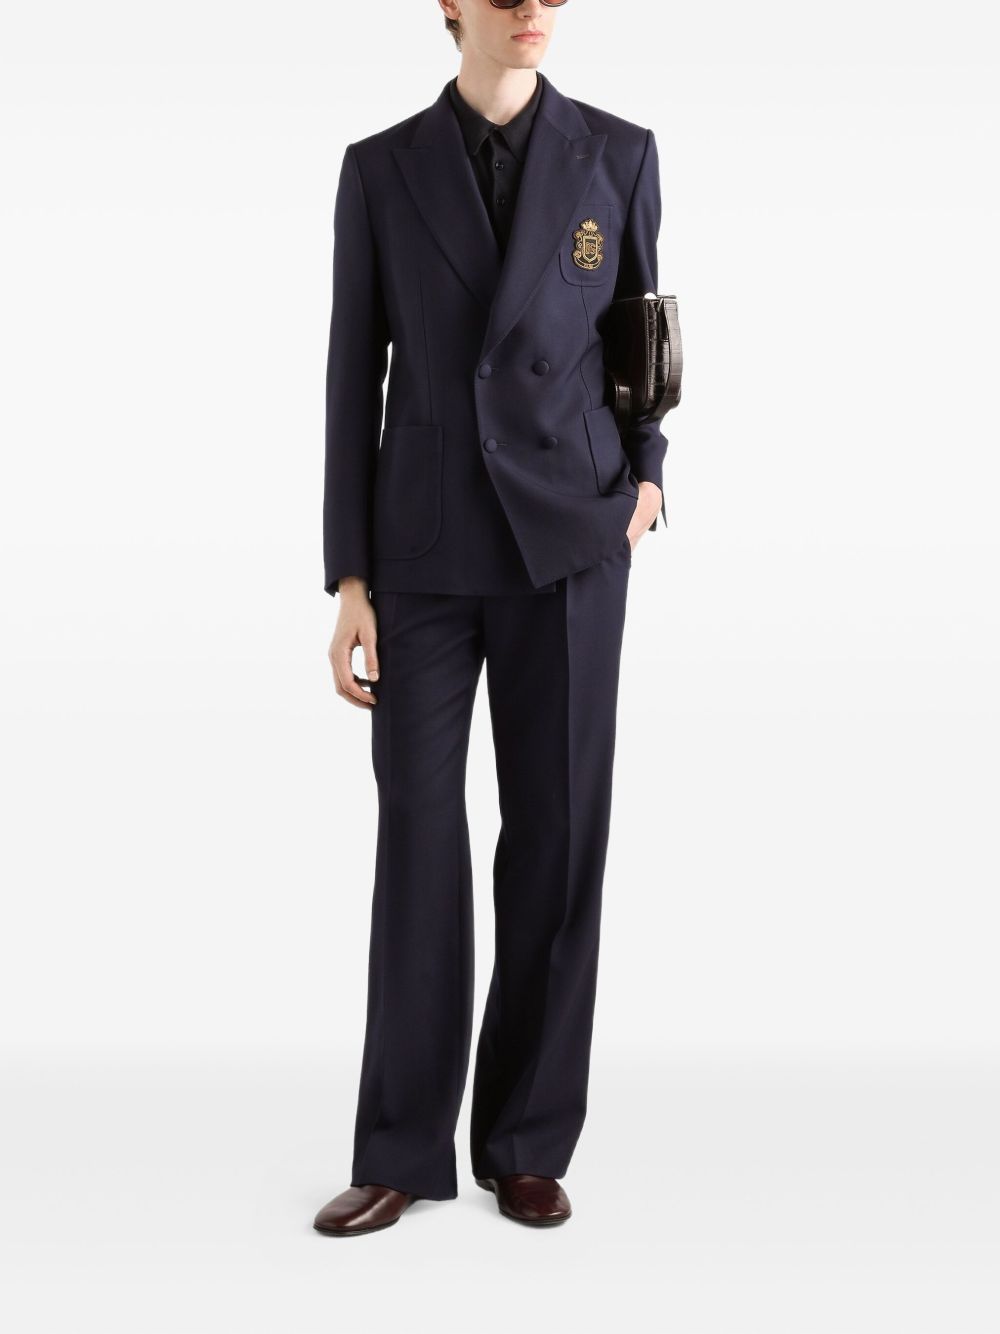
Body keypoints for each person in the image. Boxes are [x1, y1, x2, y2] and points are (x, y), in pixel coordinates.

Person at [314, 0, 667, 1236]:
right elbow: (352, 370)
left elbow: (640, 334)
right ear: (447, 6)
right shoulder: (380, 169)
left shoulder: (617, 153)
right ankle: (401, 1147)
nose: (532, 9)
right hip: (421, 549)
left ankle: (525, 1138)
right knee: (418, 838)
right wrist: (349, 578)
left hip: (569, 539)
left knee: (557, 840)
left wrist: (646, 478)